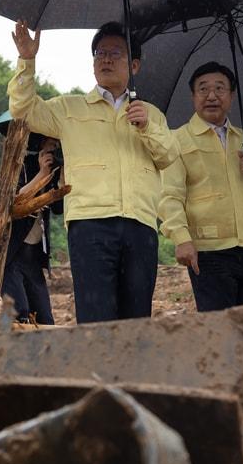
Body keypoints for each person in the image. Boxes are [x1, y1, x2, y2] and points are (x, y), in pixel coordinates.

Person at [9, 21, 178, 322]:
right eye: (100, 53)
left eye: (116, 53)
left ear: (135, 65)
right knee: (96, 319)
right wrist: (27, 60)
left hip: (141, 226)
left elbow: (167, 157)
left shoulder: (150, 114)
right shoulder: (69, 109)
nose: (106, 60)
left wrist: (146, 127)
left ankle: (130, 371)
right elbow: (23, 112)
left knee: (136, 321)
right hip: (90, 226)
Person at [161, 62, 243, 452]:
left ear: (231, 96)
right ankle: (221, 420)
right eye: (203, 88)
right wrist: (181, 239)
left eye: (220, 88)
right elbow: (168, 197)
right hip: (209, 253)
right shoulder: (179, 141)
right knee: (219, 338)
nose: (212, 95)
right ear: (193, 96)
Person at [0, 137, 63, 325]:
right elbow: (15, 199)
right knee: (19, 313)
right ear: (40, 145)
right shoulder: (23, 165)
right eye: (51, 146)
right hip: (12, 255)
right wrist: (42, 173)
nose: (54, 151)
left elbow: (58, 208)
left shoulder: (56, 172)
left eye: (58, 147)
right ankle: (4, 346)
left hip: (34, 257)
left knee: (45, 318)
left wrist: (61, 178)